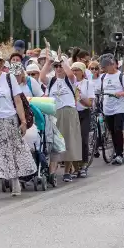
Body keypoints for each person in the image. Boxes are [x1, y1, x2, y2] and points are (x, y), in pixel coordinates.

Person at [0, 49, 36, 201]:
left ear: (2, 64)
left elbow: (17, 101)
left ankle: (15, 181)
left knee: (10, 152)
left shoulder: (9, 78)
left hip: (8, 119)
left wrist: (23, 121)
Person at [40, 49, 82, 183]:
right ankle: (52, 173)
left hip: (68, 111)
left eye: (60, 66)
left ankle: (67, 171)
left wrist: (61, 59)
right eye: (56, 66)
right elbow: (41, 78)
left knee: (68, 141)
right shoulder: (51, 81)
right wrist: (48, 63)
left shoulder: (70, 80)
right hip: (54, 113)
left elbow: (69, 73)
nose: (58, 68)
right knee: (54, 143)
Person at [98, 54, 124, 165]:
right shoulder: (103, 77)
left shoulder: (121, 76)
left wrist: (122, 93)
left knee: (118, 130)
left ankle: (119, 154)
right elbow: (100, 91)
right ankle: (115, 151)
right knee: (112, 131)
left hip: (119, 108)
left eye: (107, 66)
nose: (105, 69)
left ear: (113, 64)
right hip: (107, 108)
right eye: (104, 67)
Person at [71, 62, 95, 177]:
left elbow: (90, 103)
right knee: (73, 140)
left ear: (82, 71)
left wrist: (80, 98)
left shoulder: (87, 84)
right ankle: (75, 166)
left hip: (84, 113)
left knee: (83, 139)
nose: (75, 72)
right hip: (72, 113)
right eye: (73, 70)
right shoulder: (70, 82)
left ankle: (84, 164)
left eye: (77, 70)